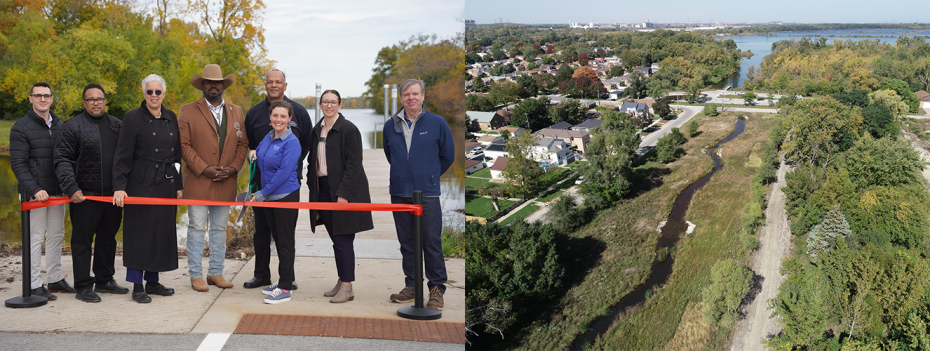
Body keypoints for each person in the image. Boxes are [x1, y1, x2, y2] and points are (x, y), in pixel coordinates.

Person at [382, 79, 455, 310]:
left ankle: (436, 289)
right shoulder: (389, 125)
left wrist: (430, 175)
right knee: (407, 243)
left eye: (415, 94)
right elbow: (389, 154)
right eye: (406, 94)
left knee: (431, 242)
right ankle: (413, 285)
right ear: (401, 98)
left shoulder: (438, 123)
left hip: (428, 194)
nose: (410, 98)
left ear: (423, 96)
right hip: (400, 193)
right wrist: (402, 176)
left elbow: (448, 155)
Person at [55, 83, 129, 302]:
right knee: (82, 242)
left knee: (108, 240)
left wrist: (123, 188)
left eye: (100, 99)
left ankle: (104, 280)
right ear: (84, 102)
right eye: (91, 99)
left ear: (105, 101)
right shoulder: (72, 127)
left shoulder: (117, 125)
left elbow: (125, 160)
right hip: (84, 196)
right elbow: (62, 160)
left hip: (113, 197)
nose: (96, 103)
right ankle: (83, 286)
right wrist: (71, 188)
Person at [112, 74, 182, 303]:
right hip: (140, 184)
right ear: (143, 93)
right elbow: (122, 156)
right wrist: (119, 187)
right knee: (140, 235)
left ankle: (153, 281)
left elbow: (177, 155)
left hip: (166, 184)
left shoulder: (171, 117)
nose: (154, 96)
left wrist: (179, 185)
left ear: (164, 93)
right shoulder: (132, 118)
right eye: (149, 91)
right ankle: (136, 285)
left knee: (160, 233)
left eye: (158, 92)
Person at [178, 64, 248, 292]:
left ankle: (216, 272)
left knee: (219, 229)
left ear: (222, 85)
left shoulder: (236, 111)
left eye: (217, 83)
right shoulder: (187, 110)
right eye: (209, 82)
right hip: (199, 180)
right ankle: (196, 275)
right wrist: (204, 168)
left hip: (226, 181)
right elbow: (184, 146)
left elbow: (242, 144)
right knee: (197, 228)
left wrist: (234, 168)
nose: (214, 86)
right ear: (203, 85)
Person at [242, 69, 312, 290]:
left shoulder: (299, 112)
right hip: (261, 186)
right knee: (261, 232)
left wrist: (289, 166)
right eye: (270, 82)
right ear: (265, 85)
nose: (274, 85)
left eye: (278, 82)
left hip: (286, 187)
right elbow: (252, 145)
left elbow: (306, 143)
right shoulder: (254, 114)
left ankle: (286, 279)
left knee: (284, 235)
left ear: (285, 85)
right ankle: (261, 274)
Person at [10, 82, 75, 301]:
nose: (43, 99)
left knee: (57, 235)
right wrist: (34, 189)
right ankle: (35, 283)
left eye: (46, 96)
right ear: (30, 98)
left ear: (52, 98)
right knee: (35, 237)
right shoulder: (21, 127)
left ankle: (55, 278)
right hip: (36, 194)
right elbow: (18, 164)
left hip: (58, 192)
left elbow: (67, 158)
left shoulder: (59, 125)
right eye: (38, 95)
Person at [307, 89, 373, 304]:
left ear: (340, 105)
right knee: (336, 239)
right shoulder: (317, 130)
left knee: (344, 239)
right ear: (320, 105)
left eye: (333, 102)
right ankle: (342, 279)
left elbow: (354, 166)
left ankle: (347, 287)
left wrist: (343, 195)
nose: (329, 106)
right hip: (322, 190)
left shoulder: (349, 129)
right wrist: (313, 190)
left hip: (345, 192)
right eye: (325, 102)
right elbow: (312, 163)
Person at [249, 100, 301, 304]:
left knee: (285, 242)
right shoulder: (268, 137)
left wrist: (261, 194)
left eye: (283, 116)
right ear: (270, 118)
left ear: (289, 119)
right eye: (275, 116)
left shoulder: (292, 142)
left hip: (284, 197)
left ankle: (286, 288)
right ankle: (282, 281)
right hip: (269, 197)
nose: (278, 119)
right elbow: (259, 157)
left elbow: (283, 174)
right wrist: (251, 156)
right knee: (278, 241)